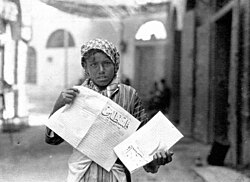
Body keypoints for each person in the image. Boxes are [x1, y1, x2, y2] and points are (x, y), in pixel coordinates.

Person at [45, 38, 173, 182]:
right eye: (94, 65)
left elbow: (143, 143)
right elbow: (53, 139)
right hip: (82, 175)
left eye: (106, 63)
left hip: (117, 176)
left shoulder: (129, 95)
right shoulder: (76, 96)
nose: (101, 70)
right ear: (85, 67)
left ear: (115, 65)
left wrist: (157, 157)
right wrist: (59, 105)